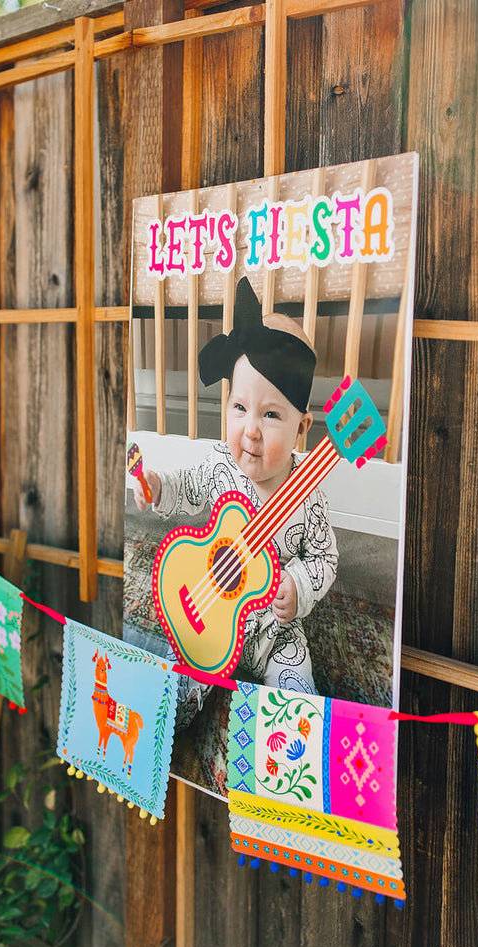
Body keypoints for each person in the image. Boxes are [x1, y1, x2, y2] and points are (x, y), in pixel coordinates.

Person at [133, 277, 338, 695]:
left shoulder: (308, 491)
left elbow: (325, 557)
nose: (251, 430)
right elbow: (186, 487)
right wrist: (156, 486)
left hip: (273, 633)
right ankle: (168, 709)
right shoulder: (219, 465)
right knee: (174, 689)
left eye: (271, 415)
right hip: (207, 618)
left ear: (301, 428)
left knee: (297, 700)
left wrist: (298, 585)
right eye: (240, 408)